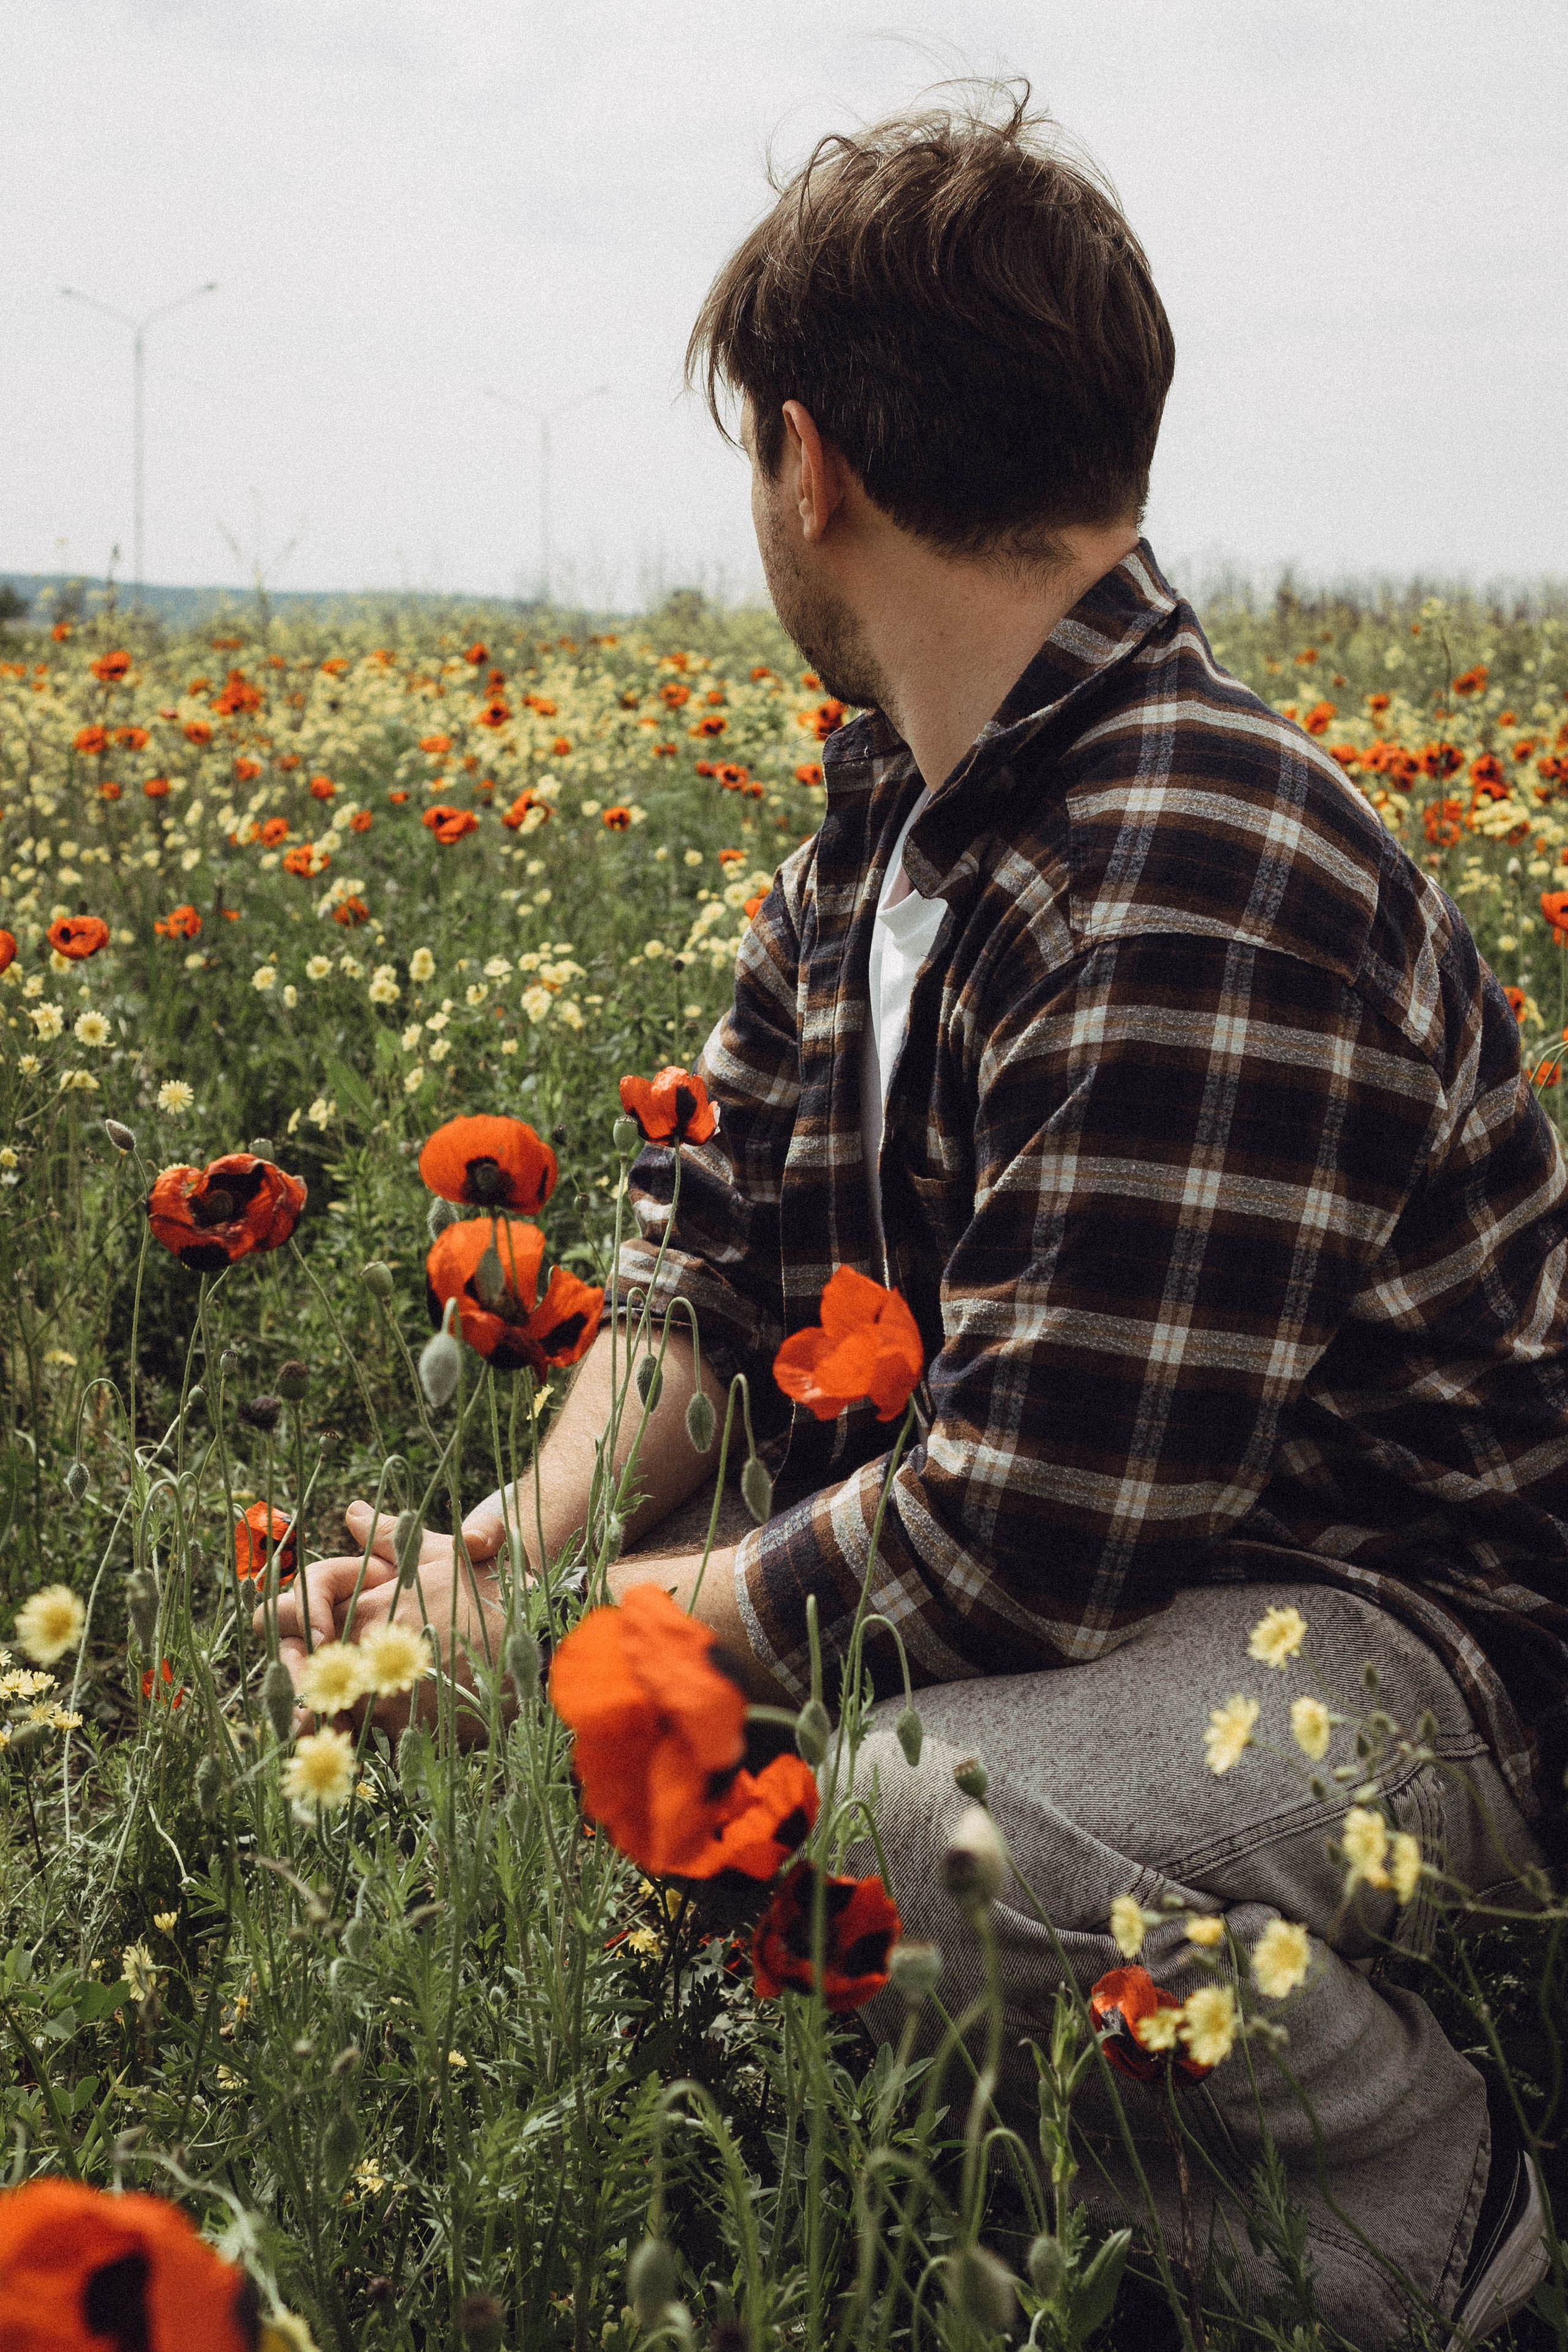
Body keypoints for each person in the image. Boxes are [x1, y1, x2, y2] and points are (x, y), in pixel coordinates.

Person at [272, 91, 1563, 2345]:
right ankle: (1056, 2172)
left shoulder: (1212, 859)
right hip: (1134, 1619)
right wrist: (502, 1568)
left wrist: (597, 1657)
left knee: (877, 1820)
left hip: (1399, 1652)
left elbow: (1018, 1549)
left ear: (809, 466)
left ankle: (1447, 2229)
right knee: (734, 1768)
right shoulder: (876, 838)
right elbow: (690, 1284)